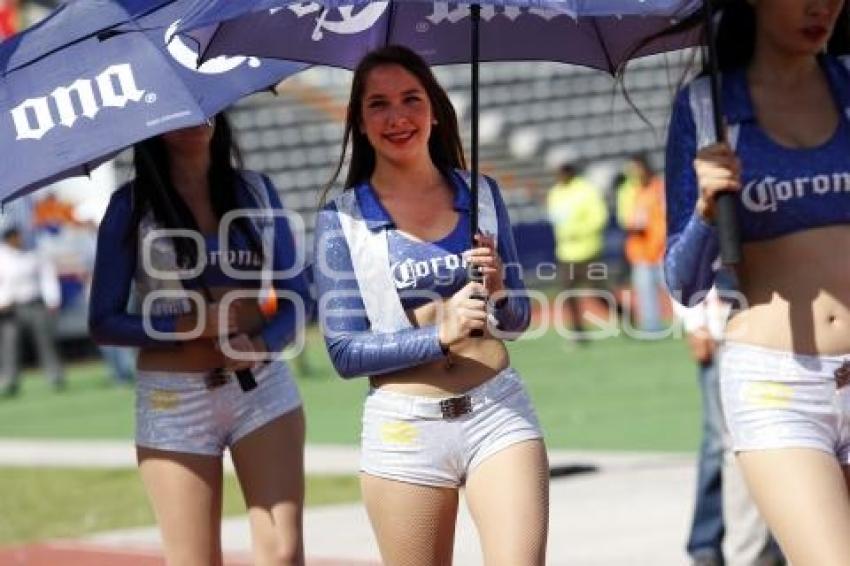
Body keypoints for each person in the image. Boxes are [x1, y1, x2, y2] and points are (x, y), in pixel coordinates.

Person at [314, 46, 548, 566]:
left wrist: (503, 289)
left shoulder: (481, 192)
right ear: (358, 120)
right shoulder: (342, 219)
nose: (397, 117)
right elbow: (344, 351)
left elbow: (516, 320)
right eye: (378, 104)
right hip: (405, 431)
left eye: (411, 99)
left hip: (498, 413)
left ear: (435, 109)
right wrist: (439, 336)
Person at [663, 1, 850, 564]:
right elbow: (685, 284)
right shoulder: (707, 107)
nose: (822, 7)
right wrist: (702, 210)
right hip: (778, 390)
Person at [88, 114, 313, 565]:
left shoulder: (256, 191)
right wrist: (184, 328)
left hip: (261, 388)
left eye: (202, 106)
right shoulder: (130, 206)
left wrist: (264, 343)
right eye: (178, 112)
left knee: (284, 552)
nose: (194, 119)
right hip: (174, 404)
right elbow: (103, 321)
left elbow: (298, 297)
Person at [675, 272, 784, 566]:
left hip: (775, 336)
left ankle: (774, 542)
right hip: (720, 331)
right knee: (719, 445)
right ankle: (706, 542)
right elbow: (681, 260)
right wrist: (695, 324)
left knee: (776, 443)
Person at [546, 162, 610, 342]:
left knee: (600, 293)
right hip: (566, 254)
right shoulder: (555, 193)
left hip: (589, 252)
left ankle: (626, 317)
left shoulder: (586, 190)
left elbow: (599, 218)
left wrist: (578, 232)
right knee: (567, 293)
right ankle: (578, 332)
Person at [0, 225, 64, 396]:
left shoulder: (34, 252)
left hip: (35, 303)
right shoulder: (2, 256)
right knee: (10, 345)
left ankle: (55, 376)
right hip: (10, 308)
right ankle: (9, 381)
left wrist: (52, 299)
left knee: (45, 341)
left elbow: (46, 277)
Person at [622, 154, 667, 333]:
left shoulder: (660, 188)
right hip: (640, 252)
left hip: (662, 250)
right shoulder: (632, 192)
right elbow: (628, 219)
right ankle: (651, 328)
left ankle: (692, 323)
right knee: (645, 293)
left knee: (678, 290)